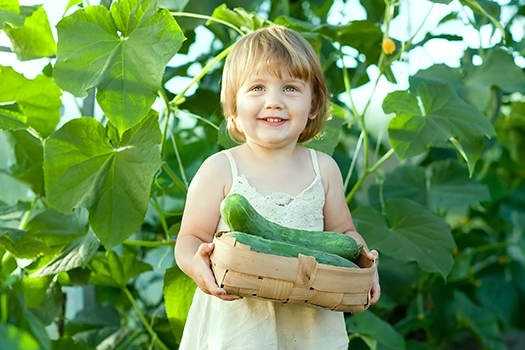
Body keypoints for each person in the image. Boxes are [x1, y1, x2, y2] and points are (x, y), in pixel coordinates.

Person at [174, 25, 380, 350]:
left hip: (309, 326)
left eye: (290, 88)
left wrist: (365, 263)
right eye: (257, 88)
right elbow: (189, 239)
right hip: (238, 327)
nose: (274, 102)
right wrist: (196, 264)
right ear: (234, 108)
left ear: (313, 105)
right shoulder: (219, 170)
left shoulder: (323, 169)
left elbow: (345, 234)